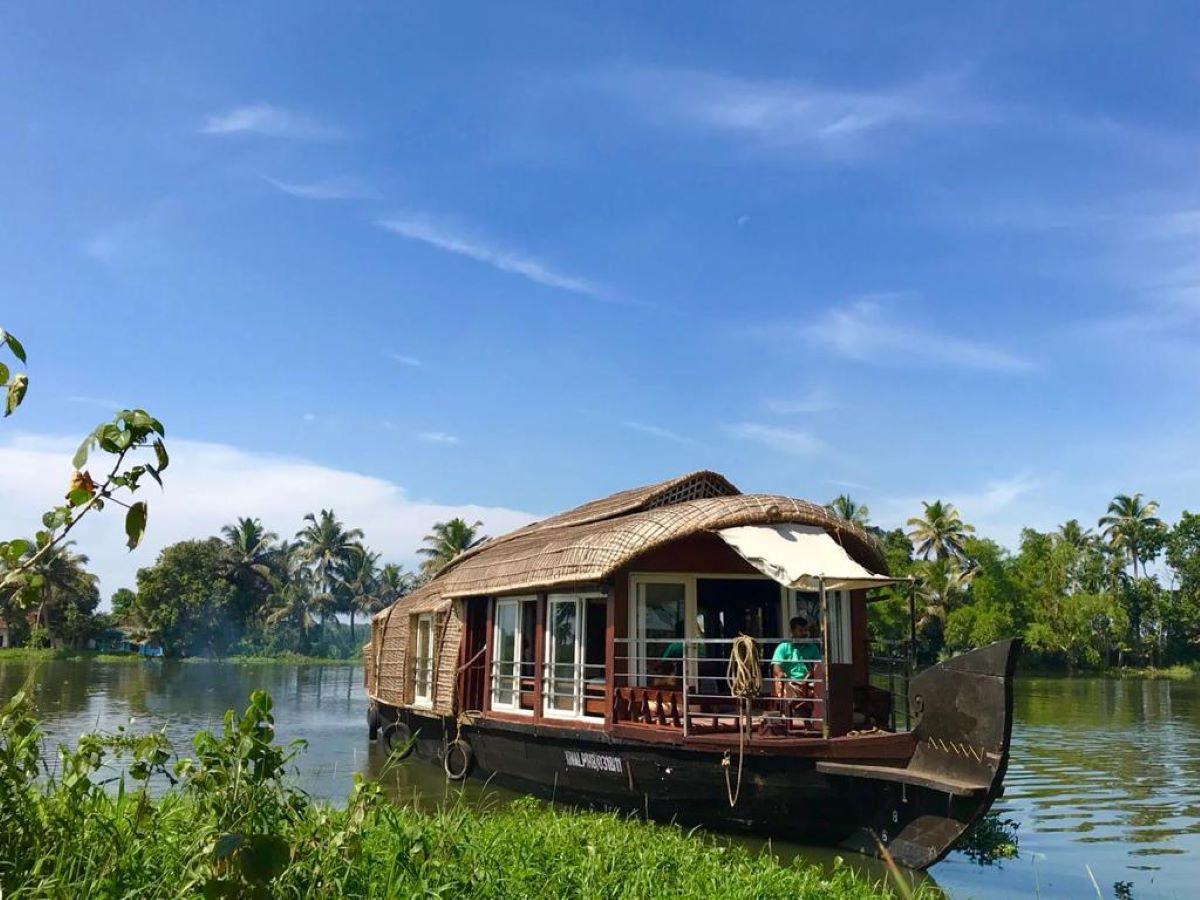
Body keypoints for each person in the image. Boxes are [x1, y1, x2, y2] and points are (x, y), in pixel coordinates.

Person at [772, 616, 820, 698]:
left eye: (806, 630)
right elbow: (776, 666)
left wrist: (812, 673)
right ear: (792, 631)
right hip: (789, 682)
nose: (804, 633)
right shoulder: (784, 646)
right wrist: (781, 674)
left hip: (808, 682)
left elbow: (818, 667)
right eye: (801, 630)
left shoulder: (812, 648)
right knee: (791, 690)